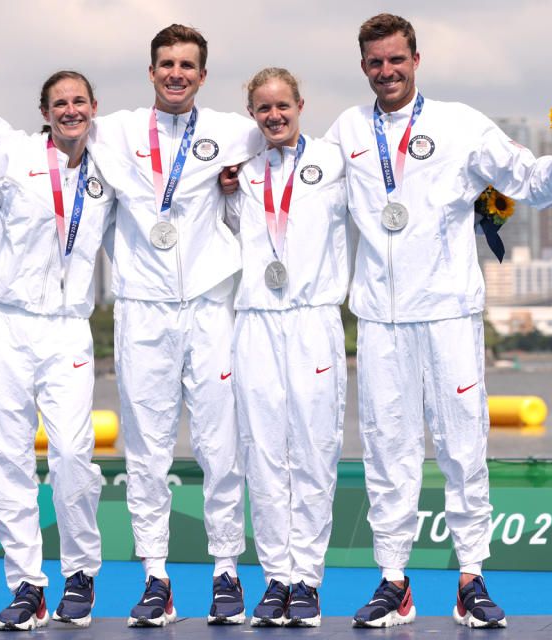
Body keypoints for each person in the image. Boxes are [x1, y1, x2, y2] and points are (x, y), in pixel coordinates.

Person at [0, 25, 264, 627]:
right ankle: (52, 583)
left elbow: (287, 149)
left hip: (176, 311)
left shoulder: (232, 133)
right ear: (151, 70)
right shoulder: (111, 136)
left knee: (110, 454)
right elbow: (0, 148)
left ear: (202, 74)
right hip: (33, 320)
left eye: (187, 64)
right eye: (166, 63)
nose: (176, 73)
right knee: (13, 454)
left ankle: (216, 569)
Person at [322, 14, 552, 629]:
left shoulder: (460, 123)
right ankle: (393, 582)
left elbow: (529, 179)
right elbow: (310, 193)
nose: (386, 71)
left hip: (449, 312)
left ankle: (471, 579)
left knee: (462, 448)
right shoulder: (346, 130)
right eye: (375, 62)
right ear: (363, 66)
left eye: (396, 59)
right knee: (385, 451)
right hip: (379, 319)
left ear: (416, 60)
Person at [0, 70, 115, 630]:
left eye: (79, 102)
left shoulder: (112, 164)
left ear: (95, 107)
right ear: (44, 112)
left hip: (67, 328)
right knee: (3, 456)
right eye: (59, 104)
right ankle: (25, 585)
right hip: (5, 324)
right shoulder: (11, 159)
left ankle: (81, 571)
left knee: (71, 454)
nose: (70, 111)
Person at [225, 68, 349, 628]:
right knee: (264, 453)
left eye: (282, 106)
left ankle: (308, 580)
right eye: (263, 109)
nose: (274, 116)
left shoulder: (335, 161)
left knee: (315, 451)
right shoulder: (239, 173)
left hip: (312, 318)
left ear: (301, 103)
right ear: (251, 113)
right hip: (254, 319)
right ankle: (276, 578)